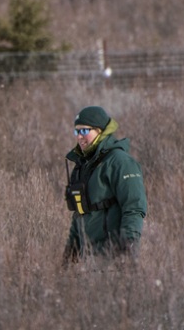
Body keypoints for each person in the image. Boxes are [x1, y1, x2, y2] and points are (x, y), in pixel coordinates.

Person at [61, 106, 147, 266]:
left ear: (100, 130)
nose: (79, 137)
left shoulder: (120, 162)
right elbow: (79, 215)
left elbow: (134, 208)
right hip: (88, 260)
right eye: (76, 132)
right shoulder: (82, 166)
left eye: (84, 131)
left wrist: (128, 250)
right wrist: (69, 259)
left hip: (113, 258)